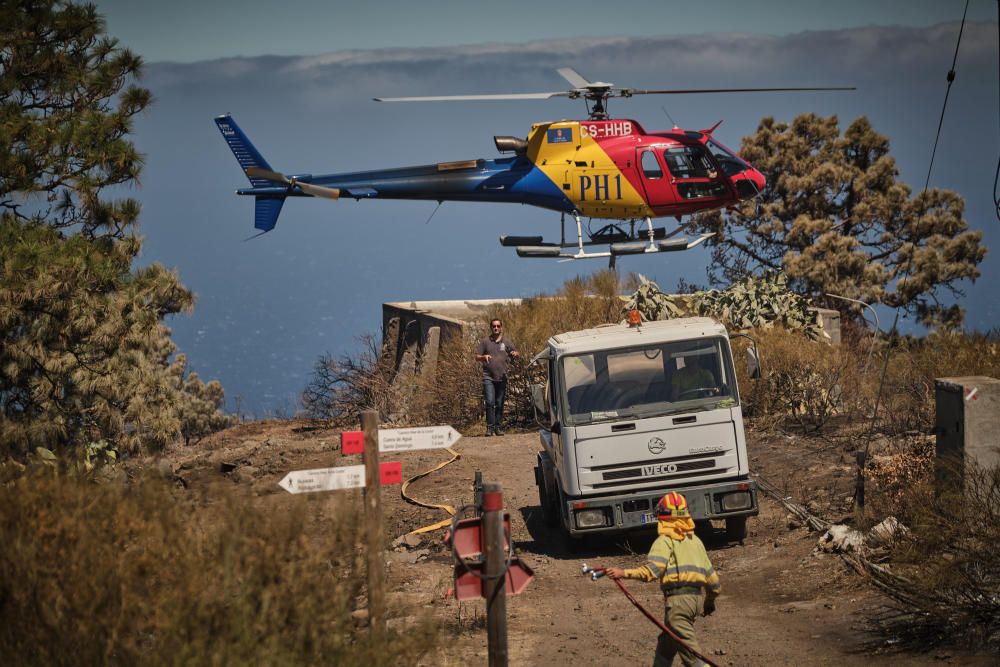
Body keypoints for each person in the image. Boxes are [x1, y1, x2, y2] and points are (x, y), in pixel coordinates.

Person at [605, 492, 720, 667]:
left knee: (692, 655)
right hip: (695, 600)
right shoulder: (696, 542)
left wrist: (623, 573)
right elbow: (714, 583)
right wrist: (709, 602)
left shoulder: (664, 541)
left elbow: (652, 571)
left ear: (661, 516)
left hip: (678, 604)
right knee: (666, 645)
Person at [475, 318, 519, 436]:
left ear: (501, 327)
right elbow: (476, 356)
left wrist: (515, 354)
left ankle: (498, 427)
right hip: (488, 376)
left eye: (498, 326)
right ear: (491, 328)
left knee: (499, 403)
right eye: (494, 326)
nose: (496, 328)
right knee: (490, 402)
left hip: (502, 377)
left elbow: (515, 352)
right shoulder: (485, 342)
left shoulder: (506, 342)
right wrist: (483, 357)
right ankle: (489, 428)